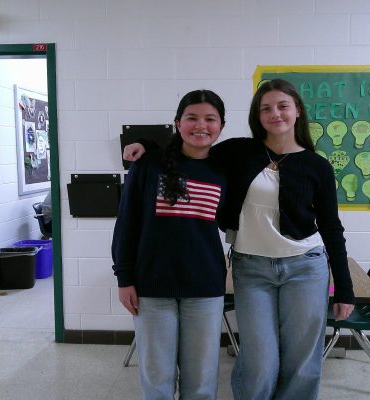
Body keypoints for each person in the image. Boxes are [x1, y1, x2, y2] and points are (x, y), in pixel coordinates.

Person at [124, 79, 355, 400]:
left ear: (298, 111)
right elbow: (190, 149)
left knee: (302, 362)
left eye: (283, 106)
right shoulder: (239, 152)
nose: (275, 114)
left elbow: (332, 227)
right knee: (259, 361)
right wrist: (145, 143)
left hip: (305, 266)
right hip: (252, 266)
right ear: (256, 116)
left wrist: (344, 287)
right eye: (266, 108)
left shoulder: (317, 166)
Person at [112, 89, 228, 400]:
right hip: (152, 286)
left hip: (205, 288)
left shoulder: (224, 170)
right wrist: (124, 278)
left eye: (210, 119)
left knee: (202, 381)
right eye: (192, 118)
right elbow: (126, 225)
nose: (200, 125)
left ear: (221, 126)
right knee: (157, 379)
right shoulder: (149, 164)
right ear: (178, 123)